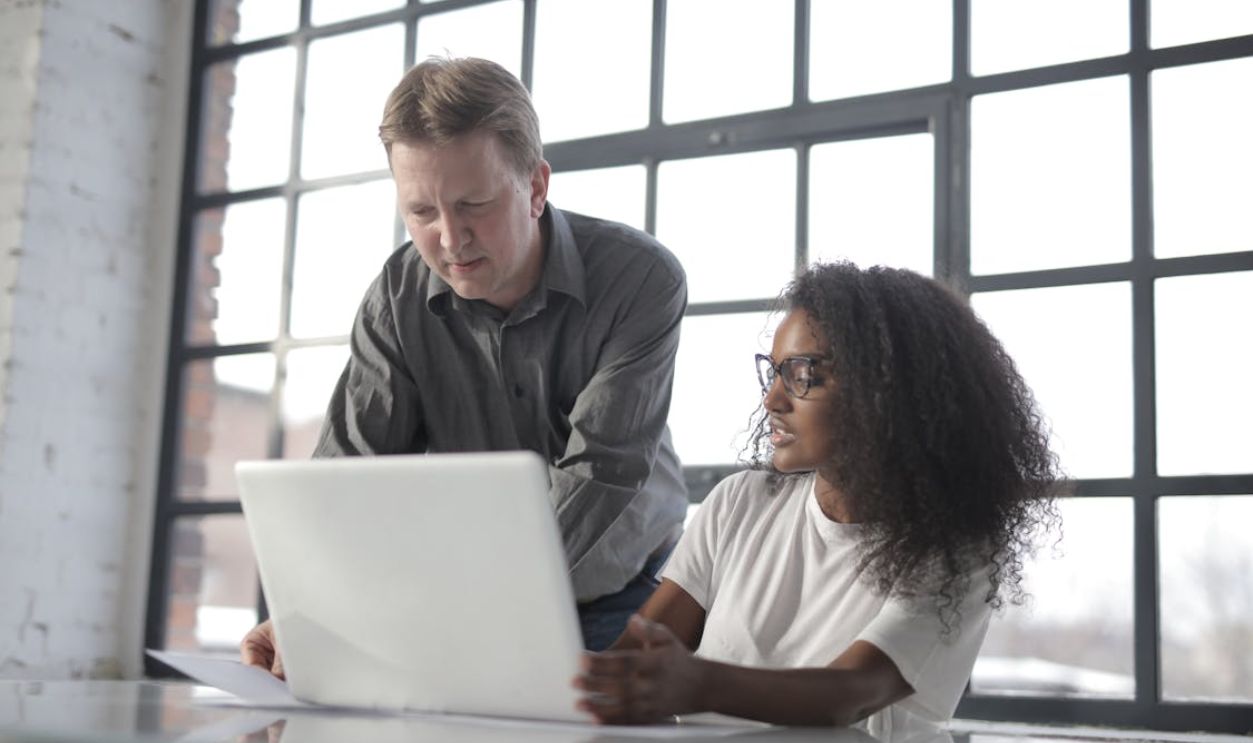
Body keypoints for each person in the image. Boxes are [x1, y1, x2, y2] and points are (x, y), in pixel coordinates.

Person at [240, 56, 689, 674]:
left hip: (625, 591)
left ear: (535, 188)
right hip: (461, 598)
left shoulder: (640, 278)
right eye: (422, 213)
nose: (450, 239)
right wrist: (307, 614)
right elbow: (350, 475)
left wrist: (463, 609)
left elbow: (601, 470)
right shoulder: (396, 299)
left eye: (473, 204)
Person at [573, 262, 1062, 730]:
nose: (772, 400)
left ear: (888, 390)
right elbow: (631, 657)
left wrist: (698, 684)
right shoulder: (738, 502)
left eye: (804, 375)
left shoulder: (955, 547)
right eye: (773, 372)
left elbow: (851, 693)